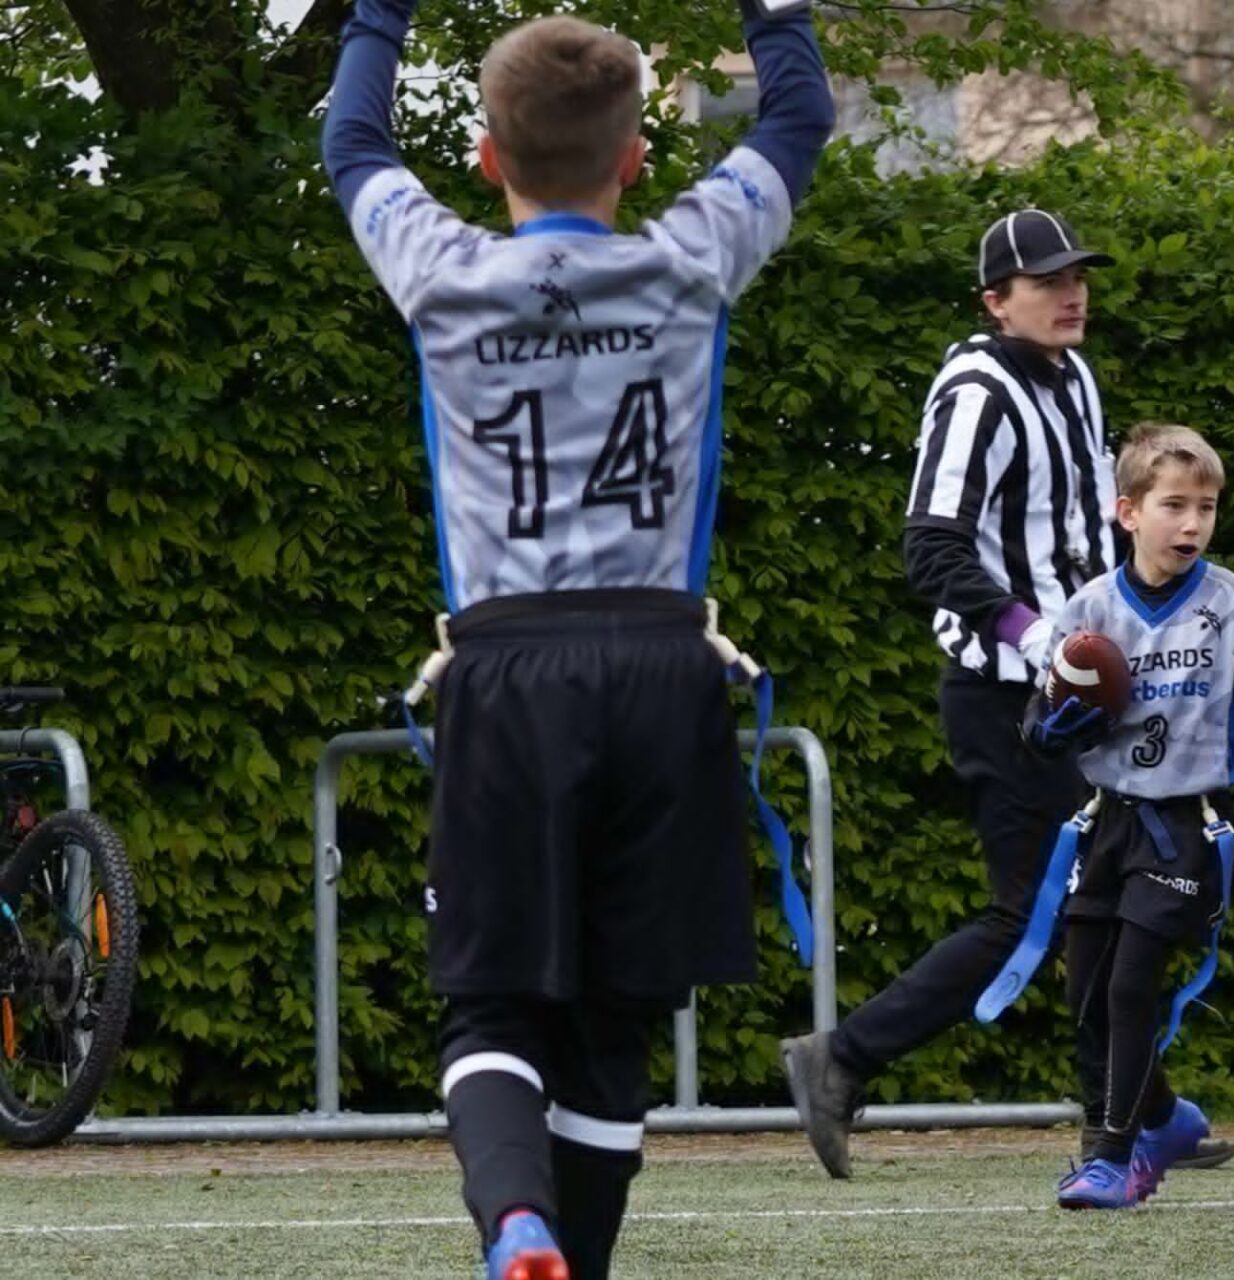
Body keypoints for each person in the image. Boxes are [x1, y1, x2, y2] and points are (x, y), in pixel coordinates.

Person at [322, 1, 832, 1274]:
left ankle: (515, 1219)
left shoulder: (441, 268)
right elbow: (797, 115)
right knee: (615, 1020)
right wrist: (772, 11)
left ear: (487, 156)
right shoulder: (691, 259)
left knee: (490, 1000)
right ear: (637, 158)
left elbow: (352, 143)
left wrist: (380, 11)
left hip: (508, 665)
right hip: (663, 666)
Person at [780, 213, 1234, 1176]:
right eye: (1048, 281)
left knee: (1105, 899)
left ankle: (1140, 1109)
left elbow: (1089, 532)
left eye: (1078, 276)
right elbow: (930, 547)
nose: (1073, 293)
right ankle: (846, 1057)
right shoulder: (977, 392)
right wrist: (1035, 637)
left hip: (1083, 695)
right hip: (1006, 696)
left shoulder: (1075, 378)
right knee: (1039, 909)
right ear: (996, 300)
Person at [1001, 424, 1234, 1209]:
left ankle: (1112, 1157)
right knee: (1086, 996)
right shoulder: (1091, 609)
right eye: (1174, 506)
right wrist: (1047, 729)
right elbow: (1040, 714)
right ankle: (1162, 1118)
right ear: (1128, 511)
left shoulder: (1233, 601)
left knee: (1131, 985)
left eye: (1207, 507)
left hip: (1189, 825)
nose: (1193, 523)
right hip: (1106, 822)